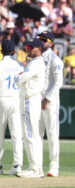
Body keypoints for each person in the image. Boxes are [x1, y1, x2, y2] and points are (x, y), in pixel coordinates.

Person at [0, 40, 24, 176]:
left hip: (2, 99)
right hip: (16, 99)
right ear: (14, 51)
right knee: (16, 134)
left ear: (1, 51)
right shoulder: (20, 65)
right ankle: (17, 165)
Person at [14, 38, 45, 178]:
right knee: (33, 134)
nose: (27, 49)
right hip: (31, 99)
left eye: (30, 47)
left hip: (29, 99)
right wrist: (20, 78)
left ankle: (35, 169)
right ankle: (36, 167)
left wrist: (17, 78)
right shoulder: (34, 63)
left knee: (30, 134)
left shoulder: (35, 63)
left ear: (39, 49)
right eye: (27, 46)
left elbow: (21, 79)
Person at [38, 31, 64, 177]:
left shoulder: (55, 59)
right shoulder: (37, 58)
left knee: (52, 134)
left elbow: (58, 83)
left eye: (44, 40)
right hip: (37, 99)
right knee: (37, 134)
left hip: (50, 102)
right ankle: (37, 166)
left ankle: (54, 166)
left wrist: (47, 99)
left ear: (51, 43)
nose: (41, 42)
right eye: (40, 39)